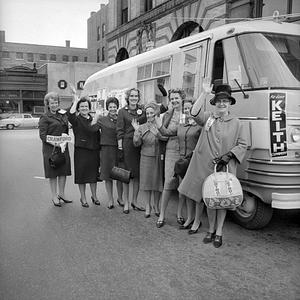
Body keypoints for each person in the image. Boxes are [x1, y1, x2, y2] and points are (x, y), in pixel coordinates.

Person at [178, 82, 247, 247]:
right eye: (219, 101)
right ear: (214, 103)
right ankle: (210, 229)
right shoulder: (208, 118)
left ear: (229, 103)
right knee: (209, 199)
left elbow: (243, 144)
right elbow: (194, 112)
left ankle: (219, 231)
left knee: (222, 201)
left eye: (225, 101)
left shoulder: (237, 122)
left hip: (226, 167)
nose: (222, 104)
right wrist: (204, 93)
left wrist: (229, 155)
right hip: (205, 166)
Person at [156, 97, 202, 229]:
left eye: (190, 108)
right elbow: (167, 132)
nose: (187, 110)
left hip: (192, 159)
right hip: (179, 157)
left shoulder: (199, 124)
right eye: (185, 109)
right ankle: (169, 216)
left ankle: (190, 217)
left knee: (189, 189)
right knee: (175, 185)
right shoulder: (179, 123)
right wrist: (157, 122)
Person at [155, 88, 187, 228]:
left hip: (186, 150)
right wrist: (159, 127)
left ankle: (180, 214)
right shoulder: (167, 114)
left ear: (182, 98)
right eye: (172, 98)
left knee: (182, 185)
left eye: (176, 98)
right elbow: (164, 132)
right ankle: (162, 214)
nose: (174, 101)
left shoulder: (189, 111)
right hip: (171, 149)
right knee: (168, 182)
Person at [67, 91, 100, 208]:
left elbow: (97, 134)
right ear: (78, 108)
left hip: (94, 151)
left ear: (89, 108)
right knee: (81, 176)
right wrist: (76, 100)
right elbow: (70, 115)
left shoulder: (95, 118)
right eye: (82, 106)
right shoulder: (76, 120)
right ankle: (83, 197)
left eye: (86, 106)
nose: (84, 108)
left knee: (93, 175)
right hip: (81, 151)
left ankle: (94, 196)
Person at [39, 92, 72, 207]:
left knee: (63, 171)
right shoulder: (45, 117)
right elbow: (42, 135)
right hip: (51, 148)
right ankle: (54, 196)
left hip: (63, 147)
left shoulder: (62, 114)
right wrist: (56, 143)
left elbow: (72, 110)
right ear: (48, 104)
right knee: (53, 173)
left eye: (56, 102)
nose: (54, 105)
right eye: (52, 103)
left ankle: (62, 194)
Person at [132, 102, 164, 217]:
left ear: (156, 113)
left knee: (157, 182)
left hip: (158, 156)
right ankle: (147, 205)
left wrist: (158, 134)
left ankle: (156, 205)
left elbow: (165, 138)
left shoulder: (160, 125)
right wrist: (137, 131)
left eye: (152, 113)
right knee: (146, 183)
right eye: (148, 113)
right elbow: (136, 143)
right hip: (145, 156)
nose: (150, 115)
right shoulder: (142, 127)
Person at [91, 97, 123, 209]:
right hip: (106, 150)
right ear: (107, 108)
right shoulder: (103, 119)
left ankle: (120, 198)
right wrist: (96, 116)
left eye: (114, 107)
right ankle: (110, 199)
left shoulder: (120, 118)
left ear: (117, 107)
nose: (113, 109)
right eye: (110, 107)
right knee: (108, 175)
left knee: (120, 175)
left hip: (119, 149)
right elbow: (93, 129)